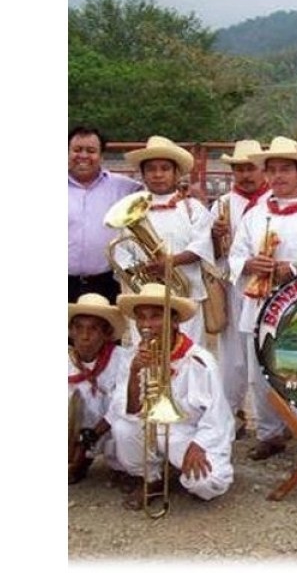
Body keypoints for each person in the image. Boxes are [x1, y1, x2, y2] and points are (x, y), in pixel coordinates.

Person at [229, 137, 297, 460]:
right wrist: (251, 264)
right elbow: (236, 256)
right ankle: (270, 432)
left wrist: (292, 269)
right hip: (259, 302)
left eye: (285, 170)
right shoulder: (255, 215)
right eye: (273, 170)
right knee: (260, 372)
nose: (278, 177)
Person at [110, 283, 235, 509]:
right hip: (150, 427)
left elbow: (218, 415)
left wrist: (199, 445)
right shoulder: (132, 357)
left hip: (188, 432)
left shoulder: (198, 360)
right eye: (142, 318)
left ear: (175, 321)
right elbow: (127, 410)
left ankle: (180, 464)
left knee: (207, 483)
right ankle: (151, 478)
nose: (147, 326)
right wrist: (134, 372)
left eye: (156, 317)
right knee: (122, 428)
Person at [113, 136, 216, 345]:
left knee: (186, 351)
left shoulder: (192, 208)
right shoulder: (131, 210)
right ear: (142, 174)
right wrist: (141, 269)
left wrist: (171, 261)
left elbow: (202, 245)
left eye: (164, 168)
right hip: (145, 298)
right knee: (147, 353)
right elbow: (122, 251)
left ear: (176, 173)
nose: (158, 174)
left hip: (186, 297)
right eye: (151, 169)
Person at [210, 139, 272, 438]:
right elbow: (208, 252)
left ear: (263, 170)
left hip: (270, 286)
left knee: (267, 352)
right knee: (232, 357)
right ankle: (231, 415)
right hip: (235, 286)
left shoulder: (274, 201)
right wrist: (214, 235)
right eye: (239, 169)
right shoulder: (222, 204)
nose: (245, 175)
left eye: (251, 168)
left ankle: (274, 422)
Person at [69, 125, 142, 304]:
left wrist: (185, 194)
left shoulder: (125, 187)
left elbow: (157, 195)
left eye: (91, 151)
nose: (83, 156)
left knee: (107, 331)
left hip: (106, 282)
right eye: (77, 150)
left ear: (101, 156)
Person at [68, 293, 130, 484]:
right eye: (79, 328)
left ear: (106, 334)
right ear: (70, 332)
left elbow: (122, 404)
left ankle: (124, 467)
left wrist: (91, 436)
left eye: (93, 329)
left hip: (108, 427)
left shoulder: (123, 359)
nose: (85, 336)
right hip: (79, 429)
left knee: (127, 426)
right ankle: (77, 459)